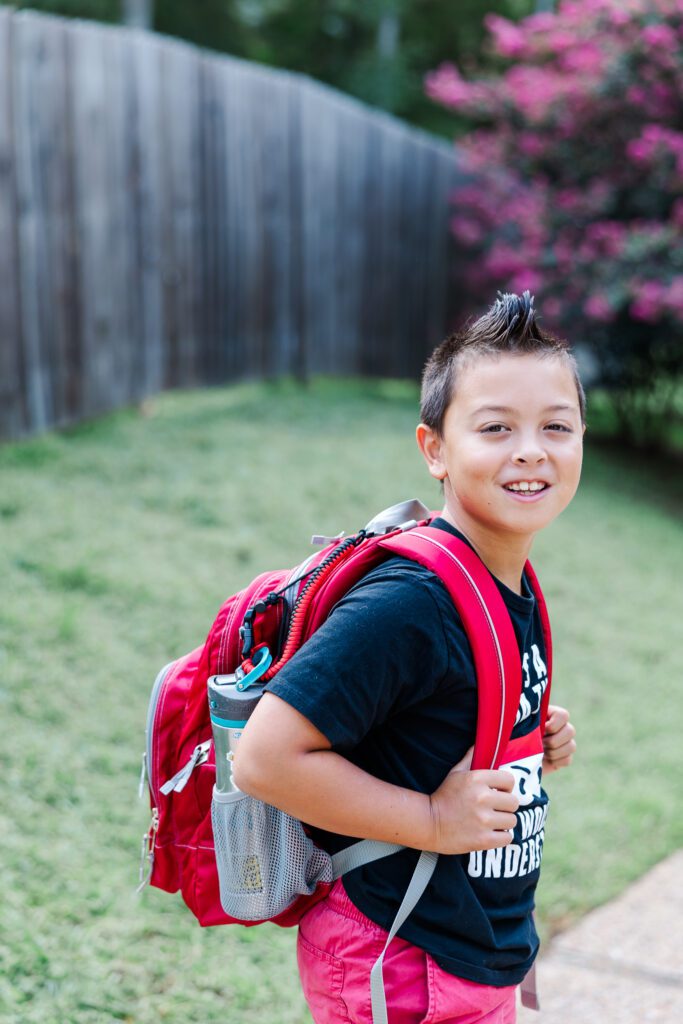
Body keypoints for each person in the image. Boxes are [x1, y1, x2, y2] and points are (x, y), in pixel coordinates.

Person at [233, 291, 581, 1024]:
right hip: (397, 956)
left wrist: (522, 734)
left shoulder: (506, 581)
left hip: (467, 946)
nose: (530, 449)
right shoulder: (409, 603)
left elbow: (432, 714)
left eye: (556, 426)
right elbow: (264, 758)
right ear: (435, 450)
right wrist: (429, 819)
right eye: (494, 428)